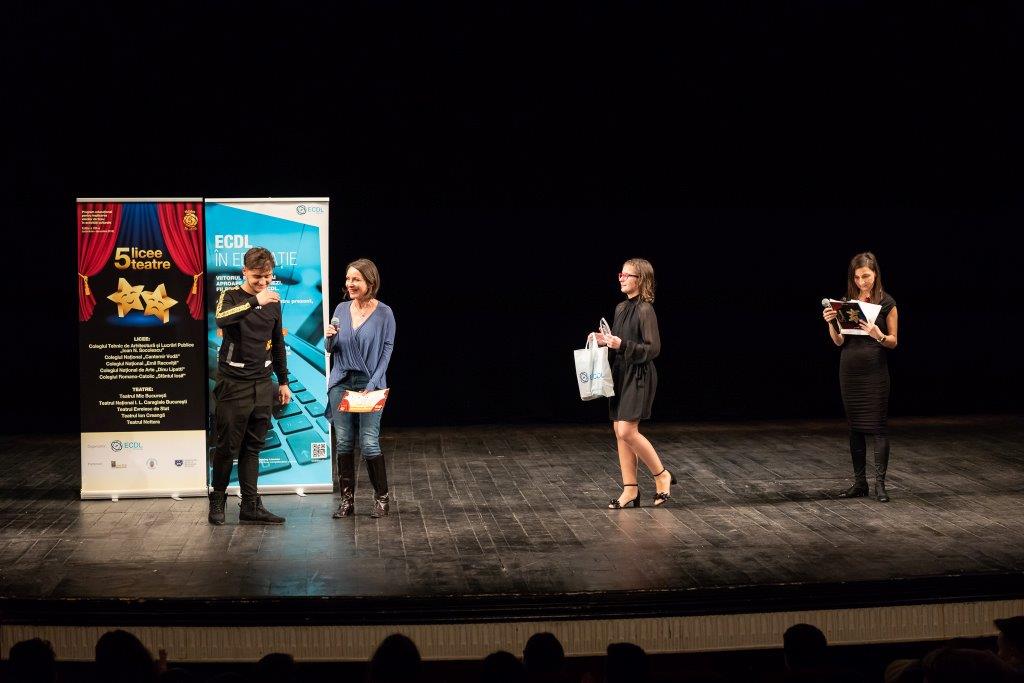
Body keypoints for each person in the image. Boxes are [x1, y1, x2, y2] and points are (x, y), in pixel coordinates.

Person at [208, 246, 291, 525]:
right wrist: (256, 301)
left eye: (268, 277)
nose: (263, 282)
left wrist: (283, 381)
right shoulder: (230, 296)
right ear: (244, 271)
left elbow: (278, 344)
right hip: (233, 384)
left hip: (262, 383)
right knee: (226, 446)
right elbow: (222, 319)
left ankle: (250, 505)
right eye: (257, 276)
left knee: (253, 447)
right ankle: (217, 500)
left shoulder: (274, 302)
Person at [595, 258, 674, 508]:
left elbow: (653, 349)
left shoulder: (645, 310)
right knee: (619, 431)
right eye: (621, 274)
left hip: (639, 374)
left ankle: (662, 475)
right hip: (621, 372)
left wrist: (622, 345)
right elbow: (619, 342)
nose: (621, 278)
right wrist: (604, 340)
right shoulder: (620, 308)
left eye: (627, 275)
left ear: (641, 280)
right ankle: (630, 489)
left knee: (627, 431)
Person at [822, 252, 899, 503]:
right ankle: (860, 483)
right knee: (854, 427)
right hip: (850, 370)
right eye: (857, 277)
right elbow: (839, 341)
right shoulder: (847, 303)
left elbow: (893, 342)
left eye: (866, 276)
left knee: (878, 426)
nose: (861, 281)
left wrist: (878, 334)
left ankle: (880, 485)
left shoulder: (887, 302)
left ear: (875, 274)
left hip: (874, 370)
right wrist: (831, 323)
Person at [325, 258, 396, 519]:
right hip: (341, 381)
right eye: (348, 279)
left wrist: (373, 383)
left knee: (368, 442)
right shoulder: (341, 309)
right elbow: (331, 349)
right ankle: (347, 502)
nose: (350, 284)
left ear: (370, 281)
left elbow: (386, 351)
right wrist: (329, 338)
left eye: (356, 279)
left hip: (370, 383)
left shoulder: (384, 313)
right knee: (344, 441)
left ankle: (382, 499)